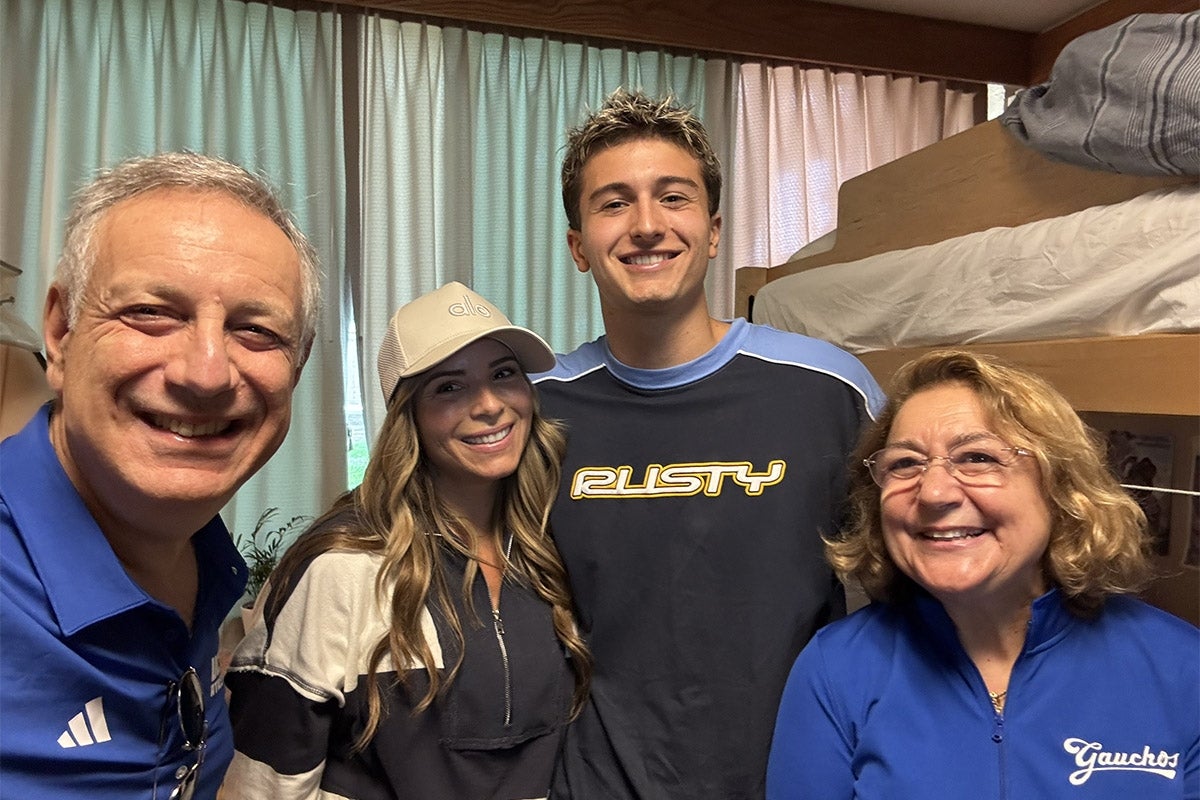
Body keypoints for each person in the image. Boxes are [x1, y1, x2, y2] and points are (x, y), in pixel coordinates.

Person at [532, 88, 885, 799]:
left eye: (673, 197)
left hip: (794, 776)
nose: (646, 225)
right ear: (578, 247)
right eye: (613, 203)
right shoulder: (539, 408)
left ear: (714, 229)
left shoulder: (829, 391)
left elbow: (908, 583)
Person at [0, 151, 320, 799]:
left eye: (256, 331)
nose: (205, 373)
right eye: (152, 313)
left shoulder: (205, 557)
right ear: (59, 333)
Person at [766, 349, 1200, 799]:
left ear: (1060, 488)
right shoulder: (836, 668)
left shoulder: (1182, 668)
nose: (933, 492)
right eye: (904, 463)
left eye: (976, 457)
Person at [222, 281, 591, 799]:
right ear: (407, 415)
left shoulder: (552, 544)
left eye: (504, 375)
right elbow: (262, 783)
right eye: (449, 387)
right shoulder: (341, 565)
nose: (489, 405)